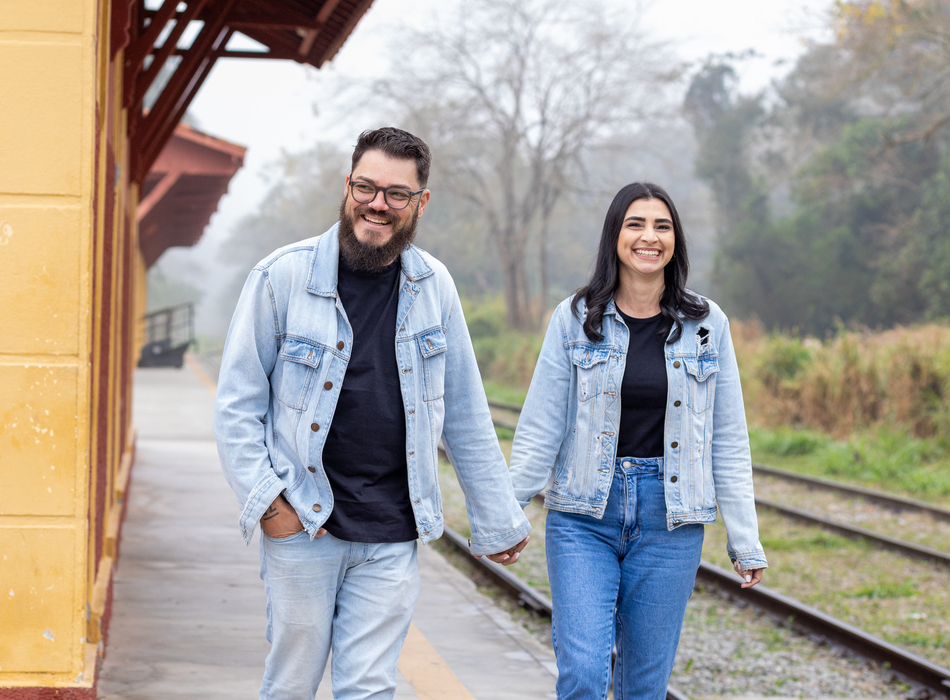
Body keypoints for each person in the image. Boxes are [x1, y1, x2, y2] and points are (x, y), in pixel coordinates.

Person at [214, 127, 530, 700]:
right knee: (291, 685)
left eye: (396, 193)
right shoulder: (282, 277)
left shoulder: (434, 287)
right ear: (348, 186)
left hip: (392, 531)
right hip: (304, 521)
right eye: (366, 187)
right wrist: (270, 507)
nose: (377, 203)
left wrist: (497, 517)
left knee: (369, 688)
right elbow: (237, 406)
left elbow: (464, 410)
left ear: (420, 202)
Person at [509, 182, 767, 700]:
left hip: (670, 522)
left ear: (675, 241)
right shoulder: (575, 318)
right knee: (583, 674)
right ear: (615, 236)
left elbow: (727, 439)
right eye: (636, 224)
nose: (650, 237)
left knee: (644, 688)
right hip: (583, 515)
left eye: (662, 226)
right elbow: (542, 425)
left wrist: (745, 538)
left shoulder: (706, 325)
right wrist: (506, 514)